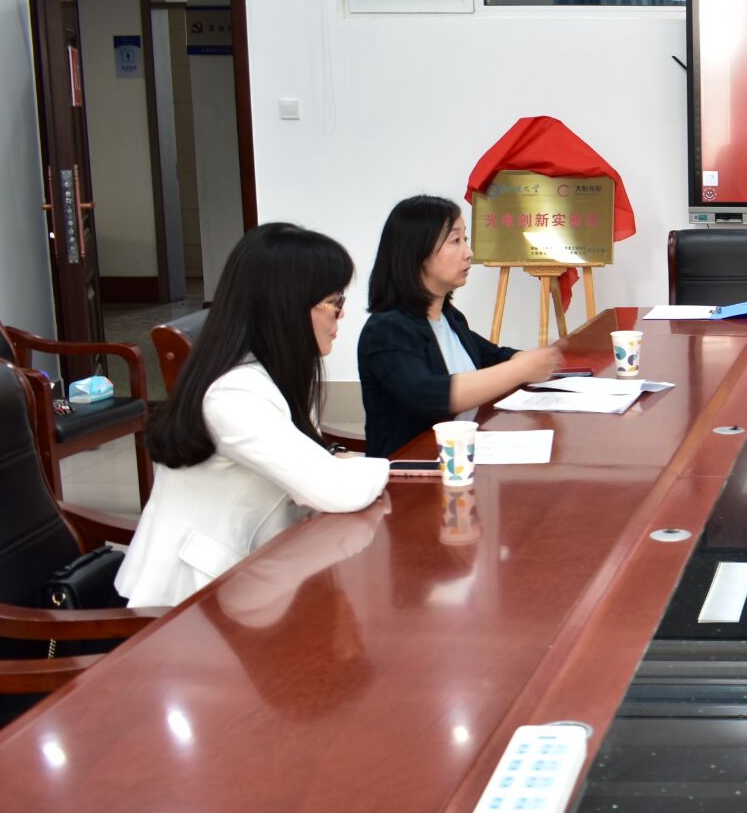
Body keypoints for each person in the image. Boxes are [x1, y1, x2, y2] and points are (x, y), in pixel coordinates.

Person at [115, 223, 389, 608]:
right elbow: (333, 490)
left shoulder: (277, 372)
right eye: (333, 302)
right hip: (187, 606)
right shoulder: (234, 393)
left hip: (252, 580)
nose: (340, 314)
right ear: (286, 306)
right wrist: (386, 467)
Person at [359, 195, 561, 457]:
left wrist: (534, 361)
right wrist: (521, 369)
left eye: (465, 239)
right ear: (417, 252)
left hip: (462, 461)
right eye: (455, 241)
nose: (469, 253)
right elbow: (429, 394)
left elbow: (495, 357)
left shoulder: (449, 318)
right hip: (411, 471)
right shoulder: (386, 330)